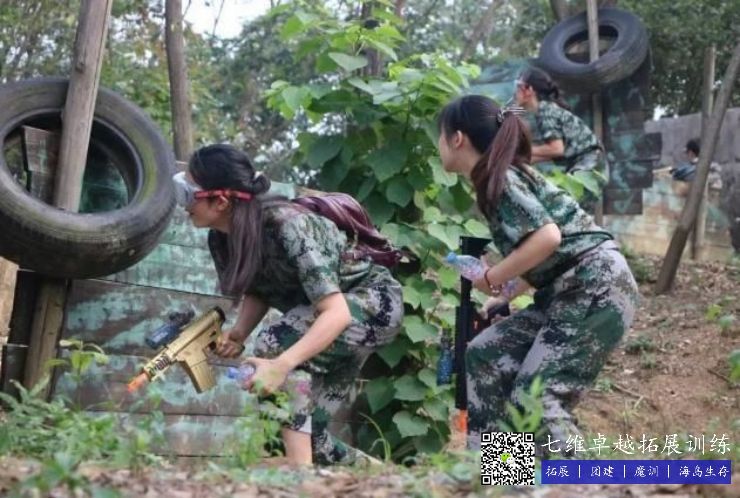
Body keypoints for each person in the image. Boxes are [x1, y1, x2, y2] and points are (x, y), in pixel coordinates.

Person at [173, 144, 404, 465]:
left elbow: (336, 313)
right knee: (312, 439)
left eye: (188, 193)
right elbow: (262, 286)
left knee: (274, 345)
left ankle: (298, 477)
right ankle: (388, 478)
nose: (182, 203)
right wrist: (238, 334)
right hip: (329, 319)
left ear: (221, 201)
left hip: (371, 305)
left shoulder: (290, 225)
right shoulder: (224, 237)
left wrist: (282, 364)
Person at [436, 95, 639, 454]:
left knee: (537, 400)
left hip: (593, 285)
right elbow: (548, 253)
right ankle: (505, 477)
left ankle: (588, 481)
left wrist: (492, 277)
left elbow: (548, 237)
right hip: (572, 287)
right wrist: (507, 292)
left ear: (457, 138)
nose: (438, 143)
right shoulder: (500, 176)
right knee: (486, 355)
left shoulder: (501, 178)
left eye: (440, 135)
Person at [515, 66, 607, 208]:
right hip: (592, 165)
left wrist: (519, 151)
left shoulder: (545, 110)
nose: (515, 93)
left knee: (562, 208)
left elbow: (556, 149)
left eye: (518, 86)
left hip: (589, 164)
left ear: (528, 90)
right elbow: (549, 153)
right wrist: (519, 160)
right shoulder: (545, 109)